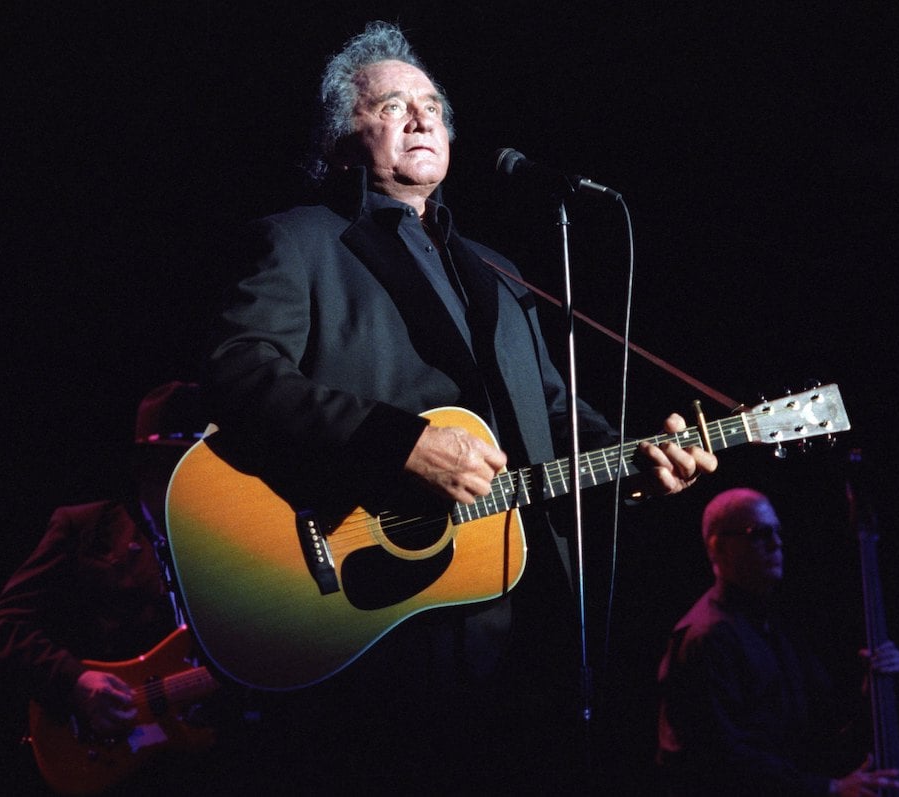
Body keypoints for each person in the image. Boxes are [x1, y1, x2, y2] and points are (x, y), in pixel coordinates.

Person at [197, 20, 717, 789]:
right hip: (371, 625)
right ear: (343, 139)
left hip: (518, 625)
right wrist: (398, 443)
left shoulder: (502, 275)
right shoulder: (301, 241)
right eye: (391, 104)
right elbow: (237, 373)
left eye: (432, 104)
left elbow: (552, 412)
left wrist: (638, 460)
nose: (421, 116)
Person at [0, 381, 229, 792]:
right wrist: (75, 681)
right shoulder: (86, 528)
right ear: (148, 463)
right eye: (181, 462)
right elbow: (2, 625)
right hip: (110, 749)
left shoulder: (224, 546)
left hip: (206, 754)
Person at [655, 487, 899, 795]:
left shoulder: (775, 625)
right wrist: (830, 789)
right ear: (718, 549)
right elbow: (722, 761)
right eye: (759, 533)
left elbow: (816, 732)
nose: (776, 543)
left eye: (777, 531)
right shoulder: (707, 637)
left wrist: (872, 684)